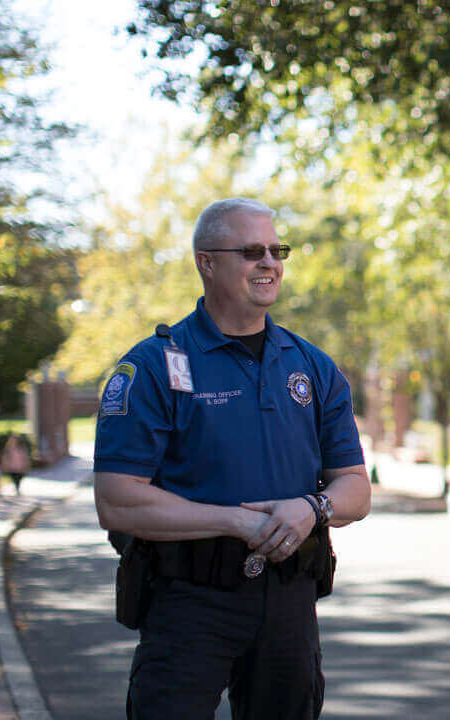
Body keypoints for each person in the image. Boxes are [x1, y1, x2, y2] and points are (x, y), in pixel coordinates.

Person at [92, 197, 371, 720]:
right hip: (190, 604)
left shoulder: (313, 366)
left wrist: (312, 509)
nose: (269, 262)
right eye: (250, 251)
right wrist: (234, 521)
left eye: (276, 249)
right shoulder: (154, 366)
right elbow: (117, 502)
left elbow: (354, 487)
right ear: (207, 262)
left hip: (289, 602)